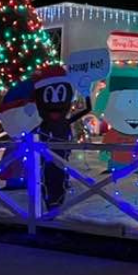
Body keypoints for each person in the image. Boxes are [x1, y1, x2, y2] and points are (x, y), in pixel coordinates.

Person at [32, 65, 91, 208]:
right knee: (46, 176)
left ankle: (57, 201)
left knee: (61, 175)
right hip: (46, 155)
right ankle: (49, 202)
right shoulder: (43, 124)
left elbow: (88, 109)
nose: (54, 100)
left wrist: (86, 92)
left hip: (62, 154)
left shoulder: (64, 121)